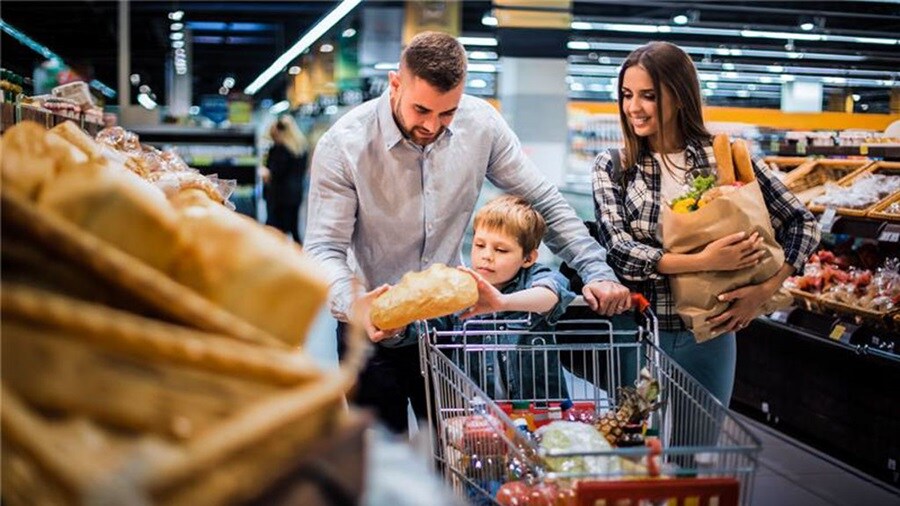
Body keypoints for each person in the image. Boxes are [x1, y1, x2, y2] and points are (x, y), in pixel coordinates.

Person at [305, 31, 630, 433]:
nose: (432, 125)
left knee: (461, 458)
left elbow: (544, 200)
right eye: (421, 109)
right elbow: (323, 248)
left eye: (447, 113)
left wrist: (596, 269)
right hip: (370, 330)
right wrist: (356, 305)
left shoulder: (481, 125)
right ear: (395, 84)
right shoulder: (344, 145)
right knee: (378, 464)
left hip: (450, 331)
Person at [591, 41, 820, 405]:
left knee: (694, 453)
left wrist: (765, 291)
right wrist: (705, 261)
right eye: (627, 94)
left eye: (648, 95)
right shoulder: (616, 166)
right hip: (636, 331)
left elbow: (802, 223)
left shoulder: (724, 158)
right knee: (635, 453)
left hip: (711, 333)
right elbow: (620, 251)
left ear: (680, 96)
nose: (634, 107)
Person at [428, 194, 576, 401]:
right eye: (479, 245)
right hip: (476, 415)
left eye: (501, 249)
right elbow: (427, 324)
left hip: (539, 411)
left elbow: (553, 293)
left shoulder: (534, 278)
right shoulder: (459, 286)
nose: (486, 255)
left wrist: (503, 302)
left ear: (528, 258)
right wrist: (397, 331)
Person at [260, 114, 308, 242]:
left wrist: (265, 173)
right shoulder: (301, 148)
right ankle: (298, 258)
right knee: (294, 229)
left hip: (278, 195)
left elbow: (275, 173)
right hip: (295, 194)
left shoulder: (279, 149)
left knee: (274, 232)